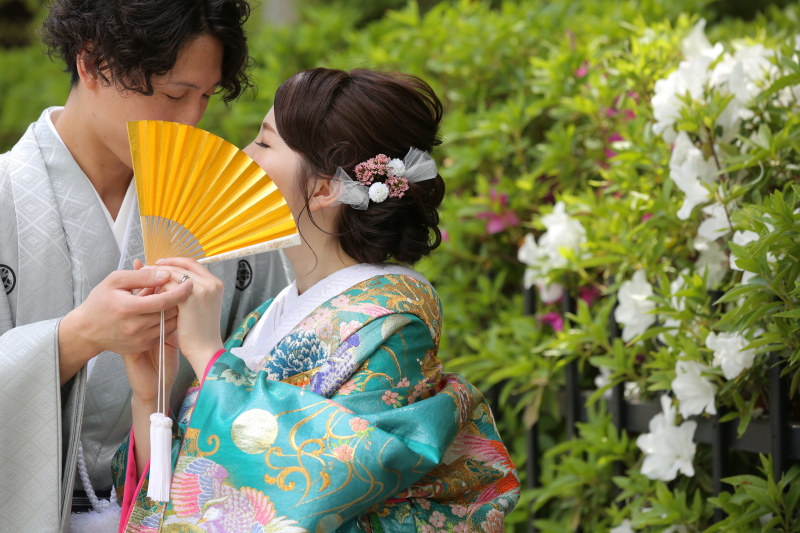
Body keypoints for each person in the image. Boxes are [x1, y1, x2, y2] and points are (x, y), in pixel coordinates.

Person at [115, 68, 521, 533]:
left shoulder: (395, 326)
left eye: (264, 143)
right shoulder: (270, 315)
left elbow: (321, 484)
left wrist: (209, 358)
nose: (244, 155)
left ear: (325, 188)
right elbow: (185, 486)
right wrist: (149, 393)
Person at [0, 2, 292, 531]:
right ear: (92, 63)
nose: (191, 120)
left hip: (177, 512)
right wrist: (76, 338)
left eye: (205, 96)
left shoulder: (223, 211)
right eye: (175, 95)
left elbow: (275, 383)